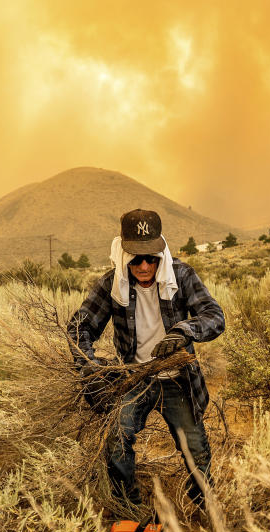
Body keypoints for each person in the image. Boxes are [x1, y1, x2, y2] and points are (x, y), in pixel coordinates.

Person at [67, 209, 225, 508]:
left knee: (197, 449)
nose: (143, 265)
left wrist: (185, 331)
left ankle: (205, 508)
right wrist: (89, 369)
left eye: (151, 257)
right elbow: (79, 327)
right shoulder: (111, 284)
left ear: (160, 254)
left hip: (178, 380)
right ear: (124, 254)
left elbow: (214, 316)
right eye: (135, 258)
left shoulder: (181, 275)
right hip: (133, 379)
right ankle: (129, 509)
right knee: (116, 441)